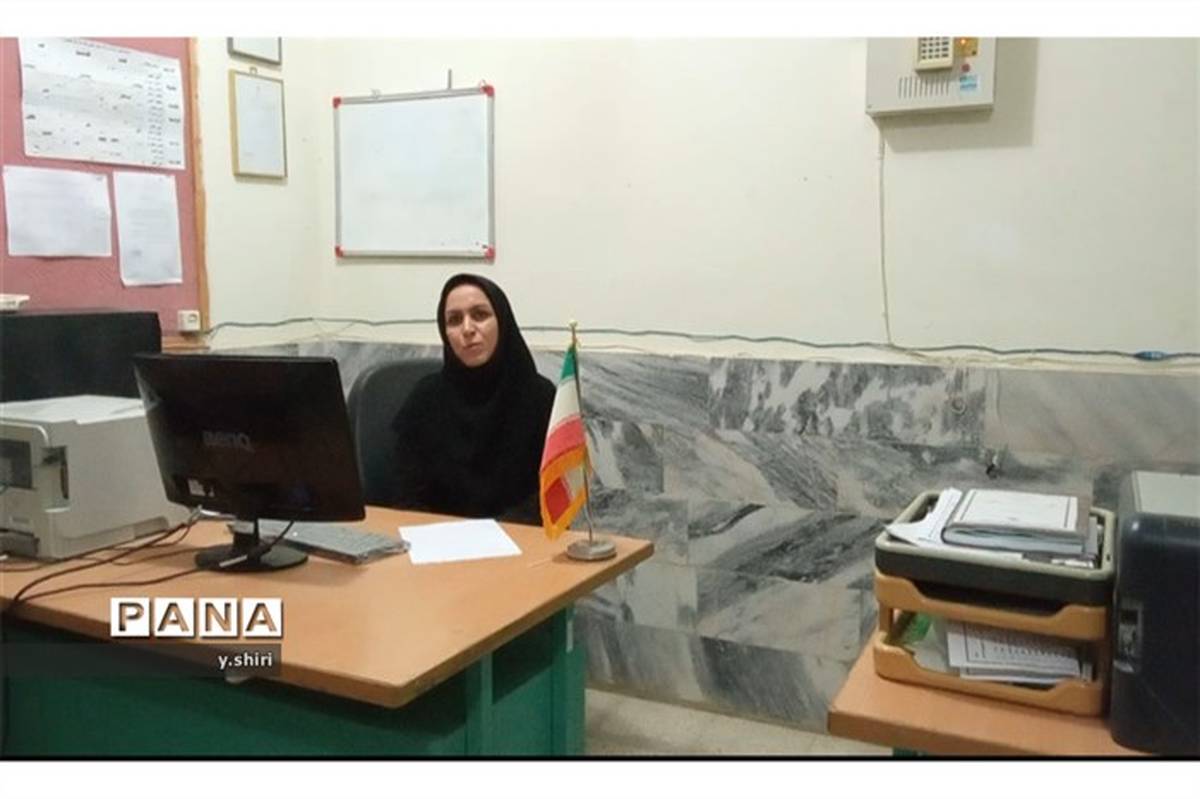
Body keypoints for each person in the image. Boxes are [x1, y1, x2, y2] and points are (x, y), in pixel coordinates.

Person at [390, 274, 556, 524]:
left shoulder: (539, 398)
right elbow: (406, 495)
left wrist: (496, 532)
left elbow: (550, 494)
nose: (467, 329)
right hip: (438, 538)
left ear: (502, 320)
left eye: (480, 315)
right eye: (454, 320)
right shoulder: (425, 400)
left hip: (519, 538)